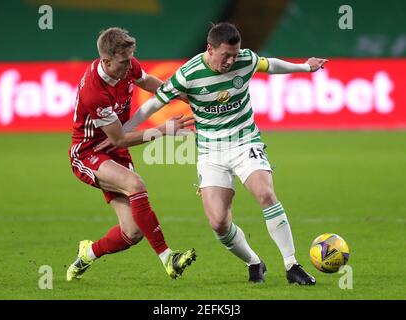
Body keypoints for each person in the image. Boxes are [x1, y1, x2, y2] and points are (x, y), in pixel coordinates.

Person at [97, 22, 329, 285]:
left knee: (265, 193)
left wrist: (304, 67)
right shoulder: (188, 74)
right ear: (210, 48)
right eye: (225, 55)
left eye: (235, 54)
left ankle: (291, 265)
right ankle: (254, 262)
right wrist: (123, 132)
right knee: (218, 222)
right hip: (211, 152)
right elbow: (153, 102)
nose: (231, 61)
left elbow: (270, 65)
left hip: (245, 141)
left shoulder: (245, 60)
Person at [66, 27, 196, 282]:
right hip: (88, 152)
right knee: (135, 184)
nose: (129, 66)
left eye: (130, 58)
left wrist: (182, 97)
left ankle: (87, 254)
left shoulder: (126, 64)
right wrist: (163, 130)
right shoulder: (94, 91)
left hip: (114, 151)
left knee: (133, 232)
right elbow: (119, 138)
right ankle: (168, 257)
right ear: (106, 60)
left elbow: (147, 81)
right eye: (123, 62)